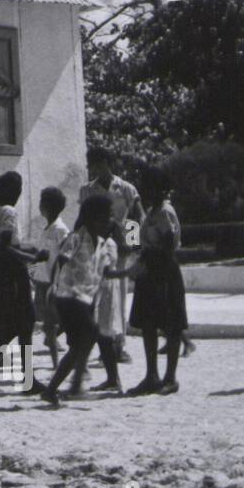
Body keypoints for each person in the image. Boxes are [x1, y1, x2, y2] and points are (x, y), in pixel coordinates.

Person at [41, 194, 126, 405]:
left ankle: (59, 388)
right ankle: (72, 384)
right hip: (68, 296)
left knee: (81, 344)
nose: (108, 222)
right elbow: (61, 261)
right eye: (105, 218)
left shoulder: (103, 244)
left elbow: (105, 273)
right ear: (91, 217)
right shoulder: (76, 237)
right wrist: (52, 286)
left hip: (84, 300)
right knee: (89, 335)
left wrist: (130, 272)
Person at [0, 172, 45, 394]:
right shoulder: (8, 211)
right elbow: (6, 247)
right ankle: (25, 379)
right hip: (12, 272)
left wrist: (26, 248)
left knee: (14, 326)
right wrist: (31, 257)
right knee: (23, 323)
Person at [127, 167, 190, 396]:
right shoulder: (150, 213)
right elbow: (138, 242)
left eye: (151, 187)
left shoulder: (165, 212)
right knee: (149, 326)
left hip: (164, 273)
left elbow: (168, 245)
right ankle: (151, 376)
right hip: (149, 273)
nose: (147, 192)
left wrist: (149, 263)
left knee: (171, 325)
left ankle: (170, 378)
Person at [79, 146, 144, 363]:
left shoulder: (125, 188)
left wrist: (133, 246)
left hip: (120, 250)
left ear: (106, 163)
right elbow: (82, 220)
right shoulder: (87, 190)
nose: (92, 169)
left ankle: (120, 345)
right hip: (96, 251)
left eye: (96, 164)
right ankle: (104, 347)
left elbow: (136, 217)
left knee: (120, 298)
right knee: (98, 300)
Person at [31, 188, 70, 369]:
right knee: (48, 324)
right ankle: (55, 362)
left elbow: (65, 257)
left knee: (53, 324)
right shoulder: (46, 229)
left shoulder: (60, 230)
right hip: (42, 280)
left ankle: (59, 363)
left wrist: (58, 282)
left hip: (54, 282)